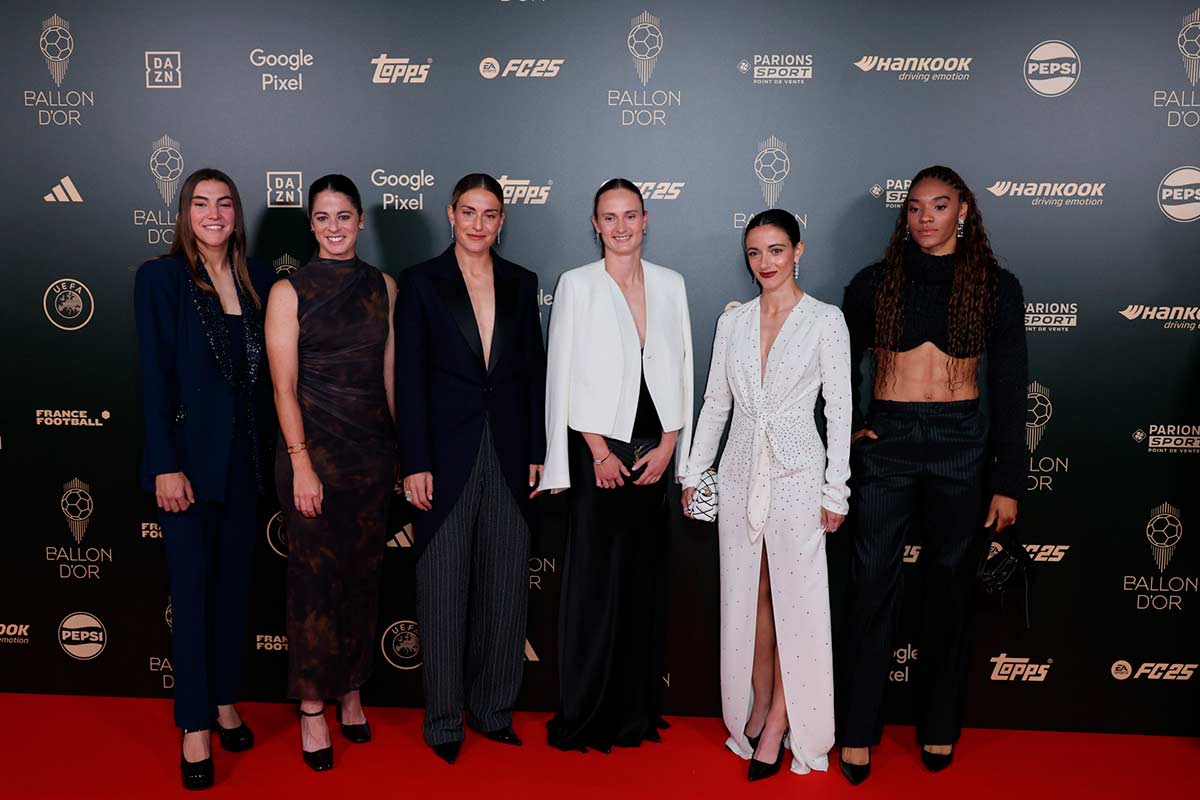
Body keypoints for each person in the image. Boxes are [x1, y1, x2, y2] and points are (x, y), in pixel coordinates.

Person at [837, 165, 1027, 783]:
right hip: (887, 441)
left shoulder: (995, 286)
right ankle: (858, 730)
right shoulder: (873, 284)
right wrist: (852, 432)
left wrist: (1008, 480)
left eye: (939, 206)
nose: (925, 218)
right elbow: (839, 371)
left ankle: (940, 727)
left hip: (960, 444)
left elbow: (1007, 384)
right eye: (915, 208)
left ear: (964, 211)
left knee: (950, 591)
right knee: (871, 586)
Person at [682, 209, 851, 780]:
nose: (765, 263)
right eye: (755, 253)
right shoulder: (733, 322)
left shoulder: (826, 321)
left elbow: (841, 412)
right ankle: (756, 701)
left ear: (798, 250)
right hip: (736, 476)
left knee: (793, 601)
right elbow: (715, 405)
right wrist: (692, 472)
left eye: (776, 250)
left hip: (800, 475)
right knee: (750, 593)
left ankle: (782, 718)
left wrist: (837, 490)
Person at [394, 173, 547, 765]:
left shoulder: (521, 282)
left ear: (502, 220)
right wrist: (416, 462)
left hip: (509, 452)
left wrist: (537, 448)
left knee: (507, 588)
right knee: (441, 588)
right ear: (450, 214)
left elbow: (533, 371)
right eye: (469, 212)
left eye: (490, 214)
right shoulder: (422, 282)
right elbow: (408, 379)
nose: (478, 224)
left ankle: (492, 711)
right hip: (444, 455)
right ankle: (442, 720)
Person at [540, 178, 693, 752]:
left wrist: (673, 444)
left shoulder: (671, 284)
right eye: (610, 217)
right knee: (594, 588)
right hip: (597, 455)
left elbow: (683, 362)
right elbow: (563, 374)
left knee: (643, 584)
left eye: (631, 215)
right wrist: (597, 452)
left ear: (646, 219)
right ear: (596, 224)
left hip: (655, 452)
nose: (622, 226)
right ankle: (588, 712)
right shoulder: (577, 286)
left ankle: (636, 711)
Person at [134, 168, 275, 790]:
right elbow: (154, 376)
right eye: (200, 203)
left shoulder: (261, 278)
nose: (213, 213)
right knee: (190, 595)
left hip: (245, 462)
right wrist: (165, 462)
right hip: (187, 466)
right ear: (185, 213)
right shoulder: (160, 279)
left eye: (223, 203)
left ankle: (223, 700)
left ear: (236, 213)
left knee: (232, 591)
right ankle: (194, 722)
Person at [265, 174, 398, 772]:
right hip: (312, 456)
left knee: (363, 579)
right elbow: (283, 386)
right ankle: (313, 707)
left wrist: (401, 454)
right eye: (323, 217)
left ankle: (352, 689)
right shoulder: (289, 291)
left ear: (361, 221)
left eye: (345, 215)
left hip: (372, 457)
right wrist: (301, 464)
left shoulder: (385, 288)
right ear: (311, 224)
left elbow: (390, 379)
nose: (335, 226)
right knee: (314, 587)